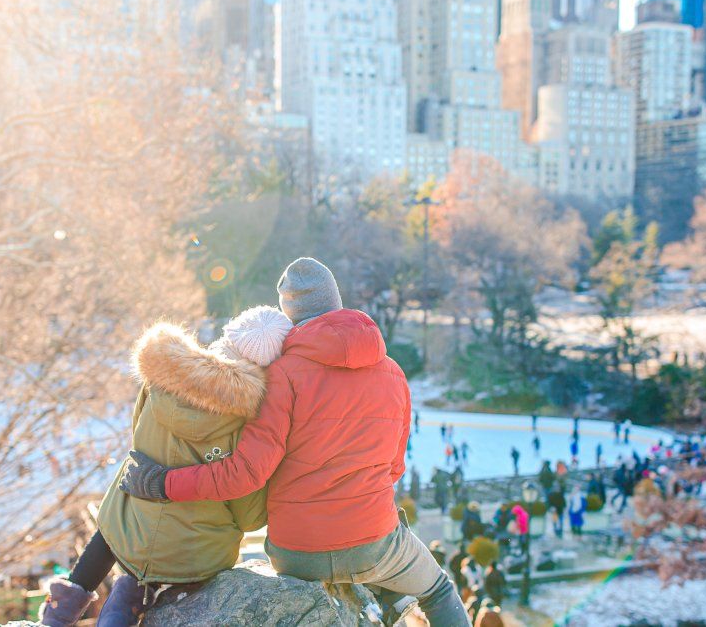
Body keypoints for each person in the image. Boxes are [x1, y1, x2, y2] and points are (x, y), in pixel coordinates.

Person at [117, 258, 470, 626]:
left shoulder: (281, 376)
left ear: (290, 314)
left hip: (297, 553)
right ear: (336, 302)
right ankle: (392, 594)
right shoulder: (393, 373)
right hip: (373, 543)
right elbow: (395, 468)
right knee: (439, 590)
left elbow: (247, 474)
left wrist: (163, 483)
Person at [42, 307, 291, 626]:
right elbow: (248, 515)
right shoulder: (249, 423)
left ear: (228, 334)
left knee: (131, 478)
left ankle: (68, 610)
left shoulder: (161, 377)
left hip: (131, 533)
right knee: (184, 528)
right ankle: (132, 597)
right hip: (194, 559)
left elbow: (138, 440)